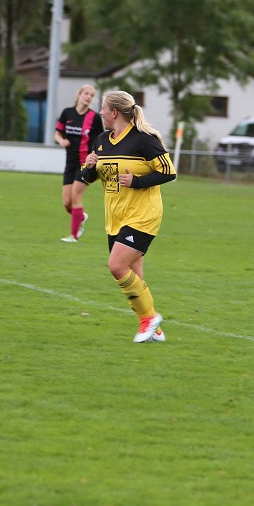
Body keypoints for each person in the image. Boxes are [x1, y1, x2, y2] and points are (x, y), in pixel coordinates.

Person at [81, 90, 177, 343]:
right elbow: (88, 178)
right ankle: (153, 327)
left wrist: (137, 181)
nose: (100, 112)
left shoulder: (143, 139)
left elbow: (169, 172)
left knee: (116, 266)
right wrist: (89, 167)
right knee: (135, 274)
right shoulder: (102, 140)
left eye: (102, 108)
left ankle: (148, 320)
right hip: (116, 218)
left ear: (113, 112)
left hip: (143, 216)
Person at [55, 84, 105, 242]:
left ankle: (73, 236)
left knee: (76, 195)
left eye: (91, 95)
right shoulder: (67, 113)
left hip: (86, 163)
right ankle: (81, 216)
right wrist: (61, 141)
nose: (88, 97)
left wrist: (97, 157)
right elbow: (57, 134)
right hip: (70, 162)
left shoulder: (95, 118)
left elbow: (101, 139)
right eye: (86, 93)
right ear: (79, 95)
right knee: (67, 202)